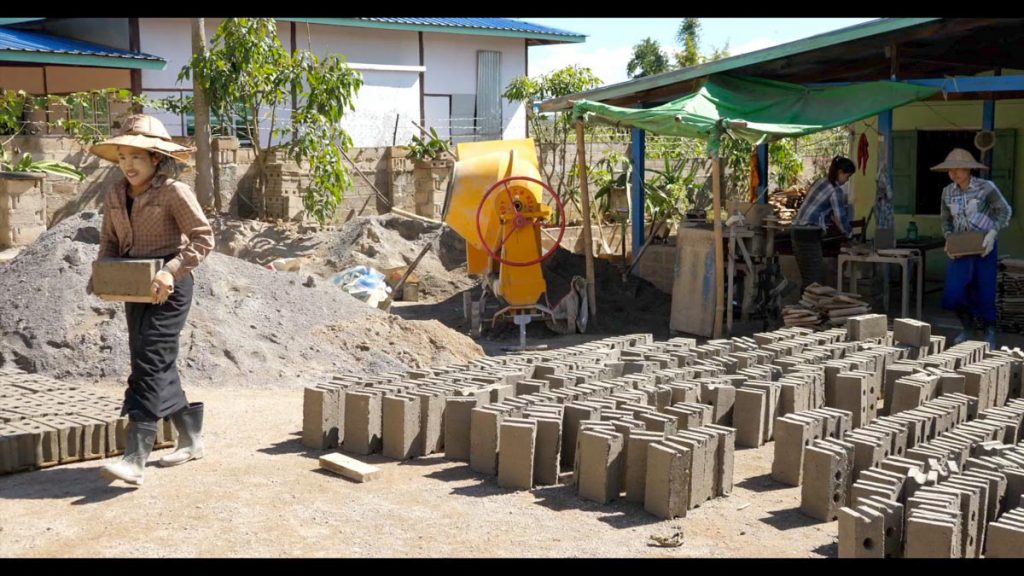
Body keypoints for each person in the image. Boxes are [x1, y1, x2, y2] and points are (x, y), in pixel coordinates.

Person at [88, 114, 215, 486]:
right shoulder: (113, 194)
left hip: (170, 288)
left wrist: (170, 270)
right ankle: (192, 440)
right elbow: (109, 241)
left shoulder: (174, 191)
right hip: (134, 286)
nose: (128, 164)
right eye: (124, 156)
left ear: (156, 160)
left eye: (138, 157)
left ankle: (135, 458)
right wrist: (103, 272)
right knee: (154, 361)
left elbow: (203, 239)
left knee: (150, 362)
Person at [935, 147, 1012, 348]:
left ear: (969, 169)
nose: (954, 173)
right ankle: (967, 327)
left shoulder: (986, 187)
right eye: (950, 170)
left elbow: (1004, 210)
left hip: (984, 245)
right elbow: (945, 220)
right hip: (960, 248)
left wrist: (993, 233)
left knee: (985, 291)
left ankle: (989, 330)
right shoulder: (947, 192)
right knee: (954, 293)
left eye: (958, 169)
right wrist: (949, 238)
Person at [791, 156, 857, 291]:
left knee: (807, 277)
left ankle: (803, 308)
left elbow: (831, 214)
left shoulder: (820, 181)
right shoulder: (835, 190)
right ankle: (805, 309)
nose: (847, 181)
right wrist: (850, 236)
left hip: (796, 230)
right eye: (847, 176)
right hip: (808, 233)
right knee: (813, 280)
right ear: (840, 172)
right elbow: (840, 218)